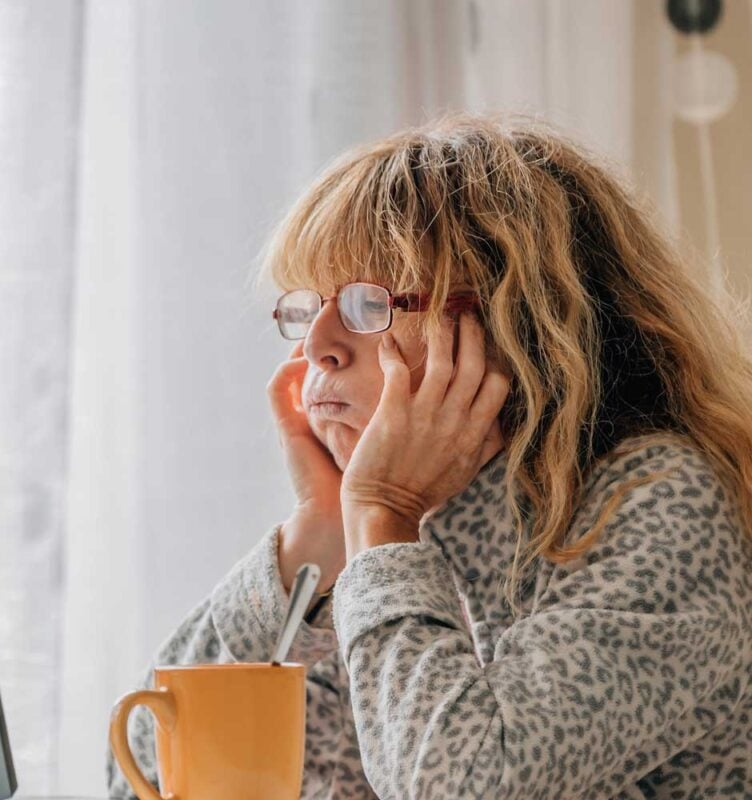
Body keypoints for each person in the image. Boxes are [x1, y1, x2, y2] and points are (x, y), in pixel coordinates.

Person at [104, 112, 752, 799]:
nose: (315, 345)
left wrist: (382, 517)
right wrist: (318, 535)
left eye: (365, 303)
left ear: (515, 325)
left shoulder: (660, 503)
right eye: (310, 304)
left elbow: (461, 784)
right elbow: (148, 774)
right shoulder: (420, 521)